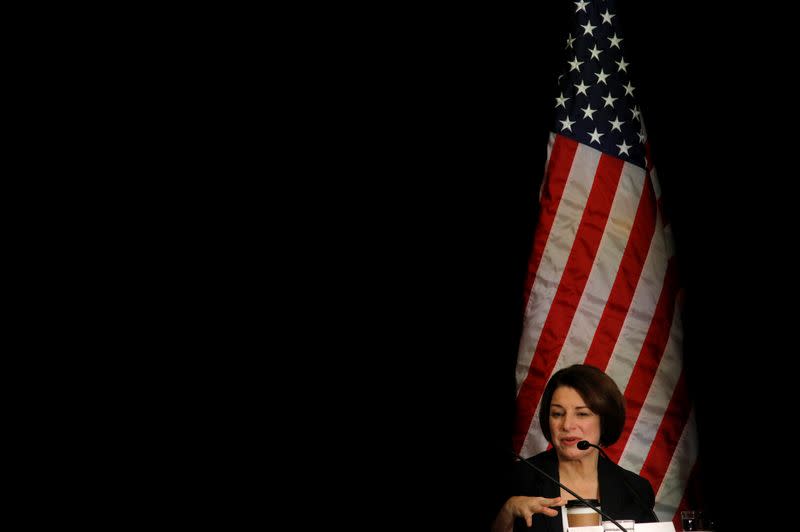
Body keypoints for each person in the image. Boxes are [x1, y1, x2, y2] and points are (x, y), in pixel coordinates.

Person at [492, 364, 657, 532]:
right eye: (557, 414)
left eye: (582, 414)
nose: (567, 425)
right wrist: (507, 512)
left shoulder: (636, 490)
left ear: (605, 420)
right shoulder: (516, 479)